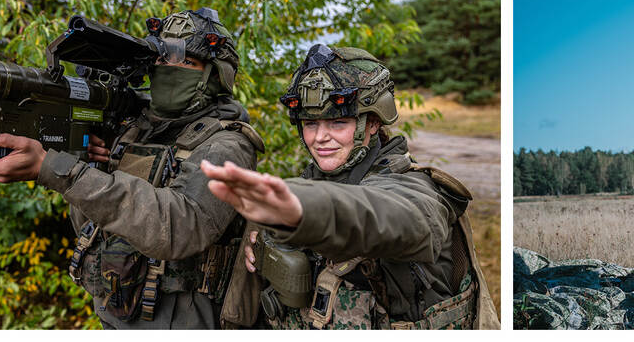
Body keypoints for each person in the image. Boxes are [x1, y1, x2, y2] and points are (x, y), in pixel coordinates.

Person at [0, 8, 264, 328]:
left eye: (184, 61)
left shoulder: (228, 145)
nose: (166, 68)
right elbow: (91, 226)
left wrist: (55, 168)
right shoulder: (135, 129)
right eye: (160, 59)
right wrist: (84, 161)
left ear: (215, 76)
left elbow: (179, 226)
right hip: (117, 314)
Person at [207, 44, 498, 330]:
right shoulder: (311, 182)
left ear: (373, 123)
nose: (320, 137)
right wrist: (270, 249)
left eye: (338, 122)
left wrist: (303, 211)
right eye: (310, 123)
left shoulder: (415, 188)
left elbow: (390, 216)